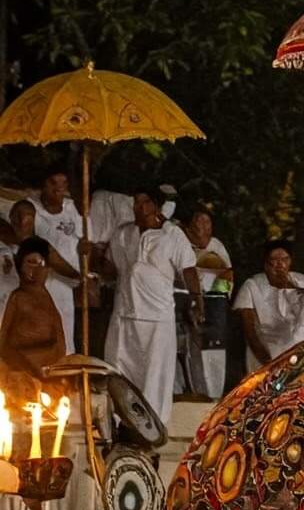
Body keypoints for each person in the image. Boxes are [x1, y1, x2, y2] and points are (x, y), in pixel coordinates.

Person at [103, 188, 200, 423]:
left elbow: (188, 269)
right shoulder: (123, 234)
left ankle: (152, 426)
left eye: (144, 202)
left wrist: (197, 300)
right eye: (136, 202)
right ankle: (120, 422)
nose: (139, 207)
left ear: (156, 206)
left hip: (157, 317)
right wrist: (89, 255)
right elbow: (109, 268)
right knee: (118, 367)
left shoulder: (172, 235)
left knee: (154, 374)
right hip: (124, 314)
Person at [232, 241, 304, 370]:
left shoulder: (303, 281)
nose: (280, 264)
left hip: (297, 346)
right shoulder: (252, 285)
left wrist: (289, 286)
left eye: (285, 259)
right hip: (265, 346)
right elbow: (249, 329)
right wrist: (266, 360)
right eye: (274, 259)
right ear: (266, 264)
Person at [179, 206, 233, 398]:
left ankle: (213, 395)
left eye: (206, 221)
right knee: (189, 348)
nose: (202, 225)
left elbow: (226, 276)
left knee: (212, 350)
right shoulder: (180, 243)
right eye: (198, 220)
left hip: (213, 303)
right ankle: (193, 392)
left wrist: (211, 301)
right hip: (185, 301)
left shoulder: (216, 246)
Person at [0, 237, 67, 392]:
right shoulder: (16, 298)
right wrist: (25, 365)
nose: (34, 270)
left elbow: (59, 341)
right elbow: (2, 341)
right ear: (20, 265)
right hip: (20, 373)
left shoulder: (48, 298)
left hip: (48, 373)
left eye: (40, 264)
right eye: (30, 263)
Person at [29, 166, 84, 353]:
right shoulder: (31, 209)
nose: (59, 188)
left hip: (65, 287)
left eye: (64, 183)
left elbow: (84, 242)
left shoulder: (73, 209)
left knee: (64, 335)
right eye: (53, 183)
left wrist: (86, 250)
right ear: (43, 185)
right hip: (40, 283)